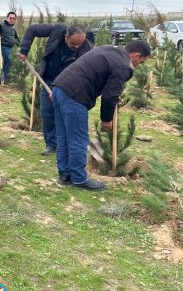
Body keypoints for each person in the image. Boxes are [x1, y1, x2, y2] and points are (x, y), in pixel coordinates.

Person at [52, 40, 151, 190]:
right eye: (141, 62)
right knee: (78, 140)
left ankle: (65, 174)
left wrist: (60, 89)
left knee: (64, 137)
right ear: (136, 55)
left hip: (60, 88)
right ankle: (79, 179)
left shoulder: (108, 48)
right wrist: (106, 120)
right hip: (75, 95)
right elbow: (109, 96)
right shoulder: (124, 65)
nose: (138, 66)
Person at [17, 24, 92, 155]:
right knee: (47, 112)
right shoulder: (57, 30)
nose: (77, 46)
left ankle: (71, 145)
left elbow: (88, 73)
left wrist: (61, 91)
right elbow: (32, 30)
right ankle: (51, 144)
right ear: (66, 36)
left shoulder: (87, 49)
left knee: (68, 114)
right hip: (49, 79)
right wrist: (24, 50)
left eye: (80, 44)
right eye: (74, 43)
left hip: (70, 84)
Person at [0, 12, 20, 83]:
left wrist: (19, 46)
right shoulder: (1, 26)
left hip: (12, 47)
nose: (12, 19)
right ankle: (6, 78)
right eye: (10, 18)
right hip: (4, 46)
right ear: (7, 17)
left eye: (13, 18)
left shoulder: (14, 28)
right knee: (9, 60)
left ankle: (2, 78)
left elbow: (16, 38)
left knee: (7, 62)